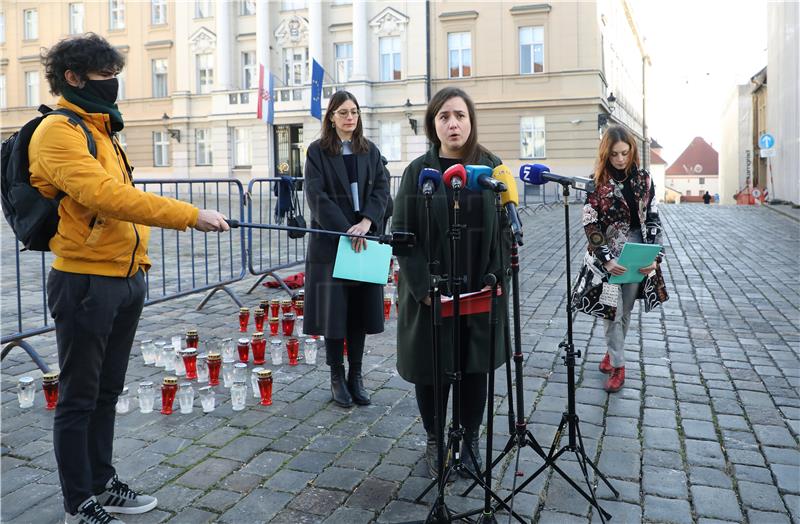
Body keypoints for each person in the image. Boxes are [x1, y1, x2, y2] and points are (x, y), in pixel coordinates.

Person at [29, 34, 230, 524]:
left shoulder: (103, 130)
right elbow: (106, 197)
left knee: (106, 391)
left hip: (124, 277)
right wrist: (189, 214)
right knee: (79, 396)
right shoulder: (57, 132)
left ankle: (101, 480)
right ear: (73, 78)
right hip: (84, 283)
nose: (114, 84)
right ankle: (79, 501)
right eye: (105, 76)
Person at [392, 87, 508, 478]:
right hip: (432, 293)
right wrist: (423, 287)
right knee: (432, 368)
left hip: (479, 289)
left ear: (471, 121)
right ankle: (435, 440)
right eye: (444, 116)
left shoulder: (491, 167)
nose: (452, 123)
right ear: (433, 124)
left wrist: (496, 276)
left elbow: (505, 232)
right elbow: (402, 235)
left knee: (475, 367)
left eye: (459, 115)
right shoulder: (417, 171)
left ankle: (471, 439)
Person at [303, 91, 390, 408]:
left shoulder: (369, 150)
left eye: (353, 112)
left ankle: (356, 375)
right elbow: (316, 196)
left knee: (358, 312)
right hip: (331, 242)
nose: (349, 117)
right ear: (331, 117)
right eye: (343, 112)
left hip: (364, 241)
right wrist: (345, 231)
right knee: (334, 314)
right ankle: (336, 376)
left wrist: (367, 222)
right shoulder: (317, 152)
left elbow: (382, 188)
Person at [578, 125, 668, 393]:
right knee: (610, 312)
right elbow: (590, 224)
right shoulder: (596, 182)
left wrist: (655, 256)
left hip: (637, 254)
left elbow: (653, 217)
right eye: (615, 154)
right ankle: (619, 365)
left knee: (625, 311)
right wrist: (605, 258)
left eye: (625, 153)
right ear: (606, 154)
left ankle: (611, 353)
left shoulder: (644, 179)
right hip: (607, 259)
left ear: (632, 152)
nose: (620, 159)